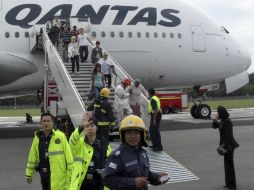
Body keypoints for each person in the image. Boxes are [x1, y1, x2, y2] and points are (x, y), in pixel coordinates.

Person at [103, 115, 169, 190]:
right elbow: (107, 179)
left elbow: (145, 174)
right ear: (123, 135)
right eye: (129, 133)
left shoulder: (143, 153)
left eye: (136, 132)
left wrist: (157, 178)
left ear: (141, 135)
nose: (133, 136)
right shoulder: (117, 156)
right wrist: (133, 183)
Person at [25, 112, 73, 190]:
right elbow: (32, 156)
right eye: (44, 121)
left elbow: (69, 156)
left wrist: (71, 174)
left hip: (58, 173)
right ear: (41, 123)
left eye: (48, 121)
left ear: (52, 122)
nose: (46, 123)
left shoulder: (60, 136)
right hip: (44, 173)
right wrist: (29, 174)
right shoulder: (37, 137)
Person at [69, 112, 112, 190]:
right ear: (84, 129)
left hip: (99, 183)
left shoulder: (104, 145)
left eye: (92, 126)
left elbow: (110, 165)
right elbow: (72, 141)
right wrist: (81, 126)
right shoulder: (78, 143)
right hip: (82, 183)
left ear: (97, 128)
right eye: (87, 126)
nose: (90, 128)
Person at [212, 106, 239, 190]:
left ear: (222, 113)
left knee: (230, 166)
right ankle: (228, 183)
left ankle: (232, 185)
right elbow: (214, 126)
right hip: (226, 146)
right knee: (227, 166)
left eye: (218, 112)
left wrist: (226, 148)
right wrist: (215, 119)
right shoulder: (223, 120)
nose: (217, 113)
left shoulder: (227, 122)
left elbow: (228, 136)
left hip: (229, 146)